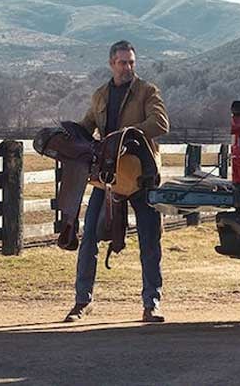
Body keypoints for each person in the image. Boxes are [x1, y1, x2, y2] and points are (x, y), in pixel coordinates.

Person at [65, 40, 170, 323]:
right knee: (89, 239)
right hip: (109, 177)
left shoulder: (147, 91)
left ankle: (152, 302)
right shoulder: (100, 96)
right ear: (111, 63)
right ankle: (82, 301)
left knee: (150, 240)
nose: (128, 68)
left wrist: (128, 134)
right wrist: (69, 137)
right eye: (123, 63)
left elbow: (161, 123)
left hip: (140, 175)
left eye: (132, 63)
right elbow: (88, 127)